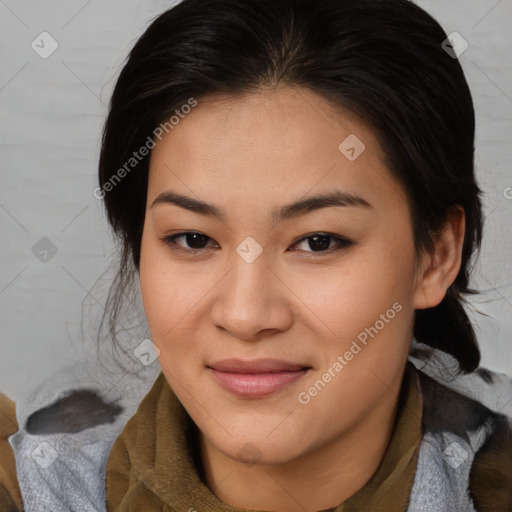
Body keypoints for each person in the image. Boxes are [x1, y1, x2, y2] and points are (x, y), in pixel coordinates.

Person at [1, 0, 511, 510]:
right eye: (194, 239)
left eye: (318, 242)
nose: (245, 316)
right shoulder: (31, 482)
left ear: (437, 255)